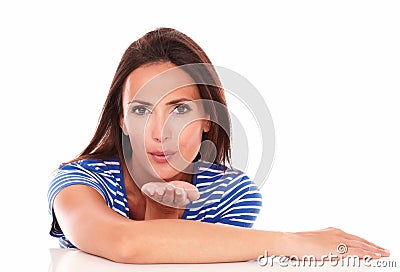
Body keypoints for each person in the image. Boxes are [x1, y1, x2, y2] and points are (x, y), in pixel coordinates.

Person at [47, 27, 389, 264]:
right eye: (140, 110)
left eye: (179, 109)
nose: (159, 131)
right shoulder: (79, 182)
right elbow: (126, 245)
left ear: (209, 118)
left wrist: (164, 214)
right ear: (121, 120)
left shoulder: (232, 193)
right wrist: (290, 241)